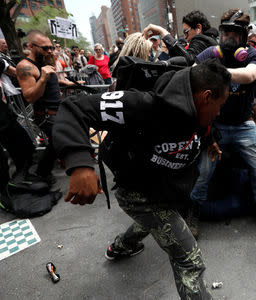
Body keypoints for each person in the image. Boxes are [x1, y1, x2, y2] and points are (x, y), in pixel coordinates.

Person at [53, 59, 230, 300]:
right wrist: (80, 163)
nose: (219, 112)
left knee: (150, 222)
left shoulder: (197, 112)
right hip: (141, 195)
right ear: (206, 96)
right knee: (191, 263)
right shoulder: (145, 106)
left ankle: (119, 247)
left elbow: (202, 127)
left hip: (164, 190)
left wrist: (211, 140)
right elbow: (75, 108)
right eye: (220, 105)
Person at [191, 8, 256, 234]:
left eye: (235, 34)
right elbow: (191, 73)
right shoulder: (211, 53)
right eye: (225, 33)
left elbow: (249, 75)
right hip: (216, 124)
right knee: (204, 171)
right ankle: (194, 211)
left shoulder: (254, 55)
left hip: (243, 124)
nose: (229, 39)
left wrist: (213, 72)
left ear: (244, 36)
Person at [16, 30, 73, 185]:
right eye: (45, 48)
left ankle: (45, 170)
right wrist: (43, 78)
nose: (49, 51)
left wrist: (66, 83)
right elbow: (29, 96)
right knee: (58, 141)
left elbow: (50, 82)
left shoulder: (45, 62)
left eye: (51, 47)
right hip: (46, 115)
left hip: (58, 111)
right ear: (30, 46)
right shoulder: (24, 67)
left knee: (59, 141)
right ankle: (42, 172)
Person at [0, 57, 48, 192]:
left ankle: (21, 179)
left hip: (4, 113)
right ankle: (7, 191)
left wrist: (35, 78)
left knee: (24, 144)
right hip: (3, 117)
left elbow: (15, 72)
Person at [142, 10, 218, 66]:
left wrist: (164, 33)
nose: (185, 37)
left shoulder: (204, 40)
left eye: (186, 32)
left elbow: (188, 60)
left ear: (198, 28)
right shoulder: (210, 40)